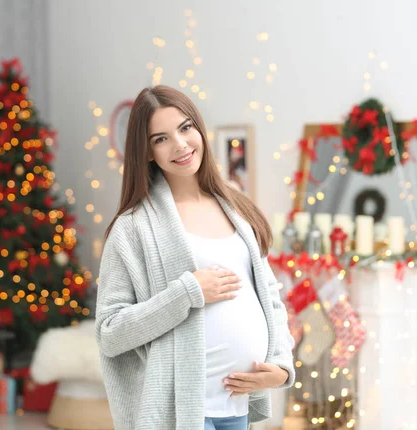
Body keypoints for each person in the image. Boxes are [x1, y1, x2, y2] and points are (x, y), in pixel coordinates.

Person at [95, 85, 295, 430]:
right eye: (161, 139)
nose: (181, 145)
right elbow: (110, 333)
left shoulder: (237, 207)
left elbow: (270, 300)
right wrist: (187, 293)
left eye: (186, 128)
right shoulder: (132, 229)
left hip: (236, 405)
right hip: (182, 413)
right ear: (146, 152)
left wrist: (281, 366)